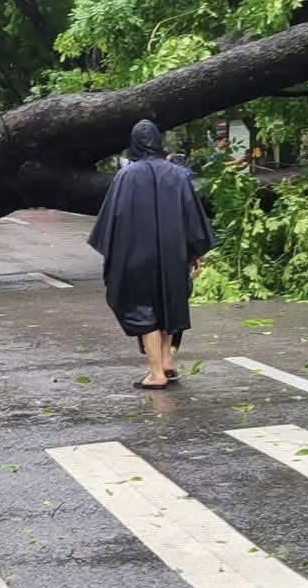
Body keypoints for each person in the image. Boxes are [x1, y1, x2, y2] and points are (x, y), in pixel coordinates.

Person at [88, 120, 216, 390]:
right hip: (173, 252)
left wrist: (114, 257)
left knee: (141, 307)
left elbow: (113, 220)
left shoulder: (126, 177)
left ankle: (156, 372)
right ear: (158, 142)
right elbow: (192, 218)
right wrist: (193, 252)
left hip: (136, 256)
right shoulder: (178, 175)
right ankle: (167, 359)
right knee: (169, 301)